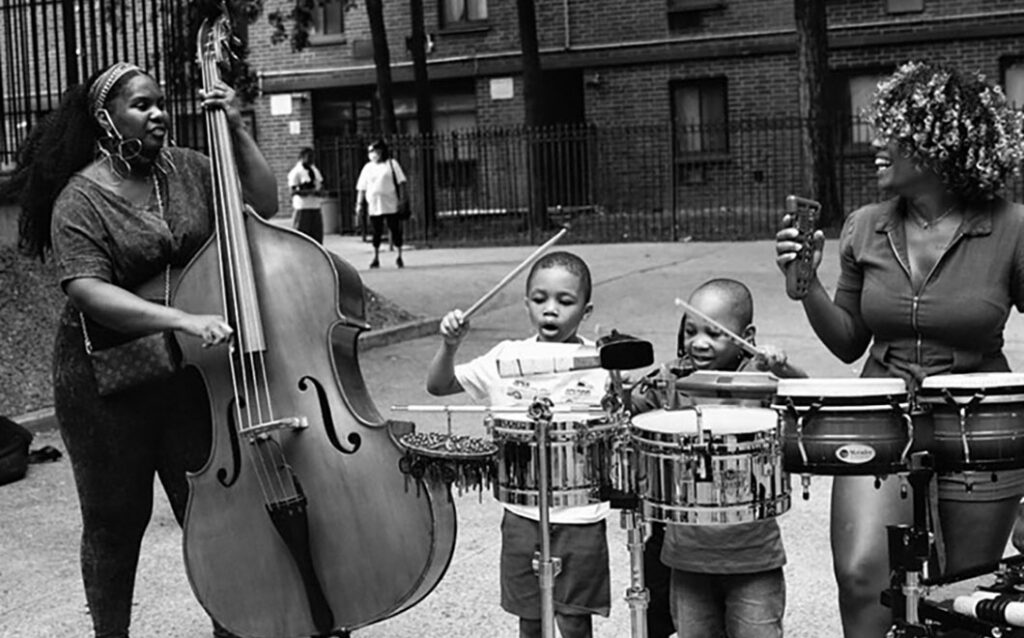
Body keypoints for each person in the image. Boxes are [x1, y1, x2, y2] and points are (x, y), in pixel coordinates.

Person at [2, 62, 277, 638]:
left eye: (160, 103)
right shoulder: (80, 198)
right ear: (106, 119)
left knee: (211, 511)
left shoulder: (191, 169)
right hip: (103, 380)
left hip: (186, 373)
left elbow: (266, 202)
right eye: (141, 105)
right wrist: (183, 318)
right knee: (113, 522)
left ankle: (232, 627)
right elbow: (88, 290)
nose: (158, 114)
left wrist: (236, 125)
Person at [775, 60, 1024, 638]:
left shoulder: (1011, 228)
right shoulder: (865, 226)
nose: (877, 143)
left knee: (967, 595)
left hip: (979, 420)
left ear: (942, 143)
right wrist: (805, 282)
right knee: (863, 576)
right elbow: (847, 342)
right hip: (880, 417)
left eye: (895, 132)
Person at [426, 251, 611, 638]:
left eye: (565, 301)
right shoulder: (505, 356)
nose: (550, 311)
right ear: (526, 302)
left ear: (586, 309)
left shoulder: (599, 362)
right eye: (540, 299)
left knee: (576, 620)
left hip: (580, 516)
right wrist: (449, 345)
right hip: (521, 513)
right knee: (531, 618)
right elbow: (439, 385)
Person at [631, 278, 806, 638]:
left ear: (747, 335)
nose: (698, 342)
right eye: (691, 330)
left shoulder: (760, 378)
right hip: (686, 559)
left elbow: (805, 397)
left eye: (714, 333)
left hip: (753, 556)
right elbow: (628, 411)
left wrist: (783, 368)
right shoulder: (672, 378)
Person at [355, 139, 408, 269]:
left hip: (390, 203)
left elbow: (401, 182)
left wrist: (402, 199)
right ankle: (376, 256)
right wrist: (359, 204)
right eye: (371, 152)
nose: (373, 154)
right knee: (376, 231)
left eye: (376, 151)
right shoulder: (367, 168)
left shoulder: (391, 164)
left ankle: (399, 255)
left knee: (395, 229)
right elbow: (362, 187)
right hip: (374, 204)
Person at [287, 146, 324, 243]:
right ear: (302, 157)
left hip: (315, 207)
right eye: (309, 156)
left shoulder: (314, 170)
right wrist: (308, 191)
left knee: (316, 238)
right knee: (302, 238)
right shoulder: (296, 172)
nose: (312, 159)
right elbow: (293, 191)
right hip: (303, 208)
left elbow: (320, 184)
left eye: (313, 156)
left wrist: (320, 192)